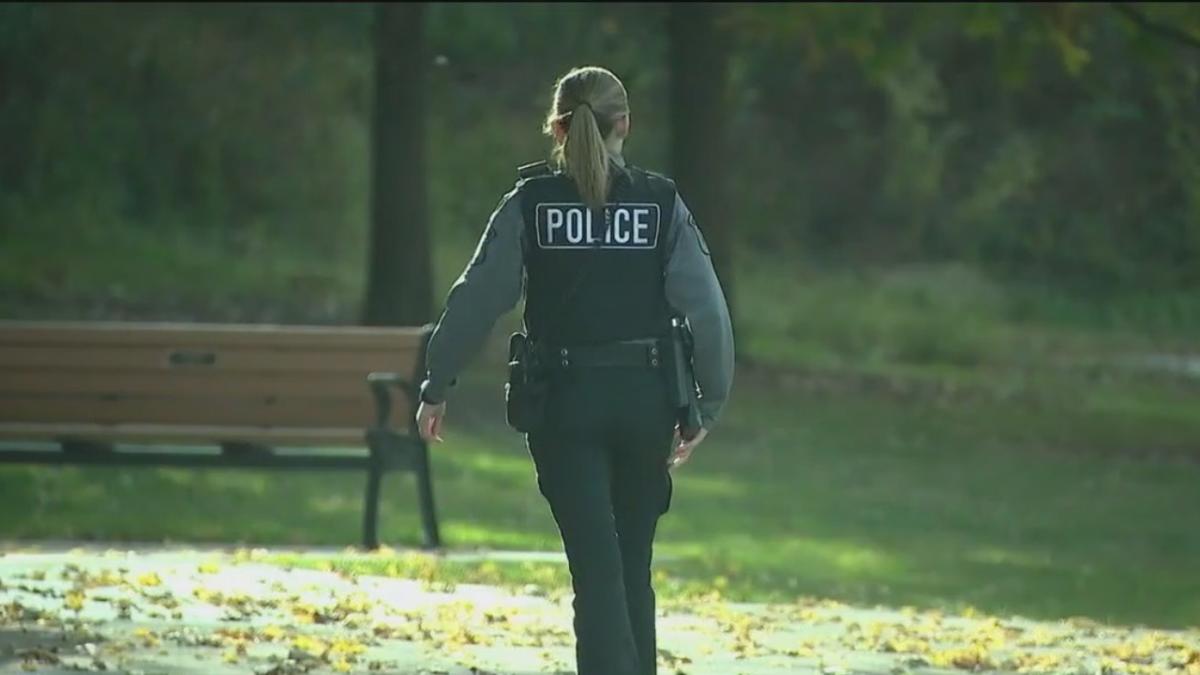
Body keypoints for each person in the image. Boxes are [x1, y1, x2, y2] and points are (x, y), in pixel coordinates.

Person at [414, 65, 734, 675]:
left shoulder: (530, 204)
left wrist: (438, 381)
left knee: (597, 572)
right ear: (625, 125)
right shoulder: (660, 203)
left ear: (556, 127)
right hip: (646, 400)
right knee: (630, 567)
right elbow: (708, 308)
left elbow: (478, 295)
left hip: (564, 402)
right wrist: (707, 403)